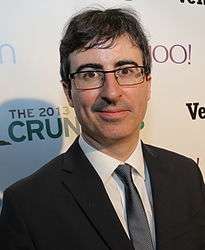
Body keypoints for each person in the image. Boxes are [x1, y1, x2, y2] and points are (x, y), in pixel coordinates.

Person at [0, 7, 205, 250]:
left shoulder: (186, 174)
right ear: (68, 91)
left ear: (147, 85)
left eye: (126, 71)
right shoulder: (26, 205)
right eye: (90, 74)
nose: (111, 92)